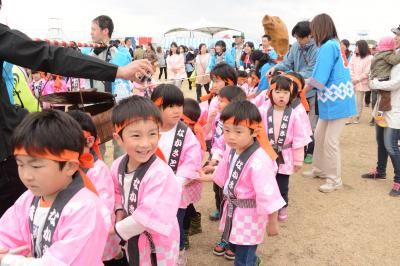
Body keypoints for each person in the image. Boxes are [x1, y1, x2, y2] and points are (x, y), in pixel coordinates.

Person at [0, 0, 153, 217]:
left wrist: (117, 71)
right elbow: (50, 56)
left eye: (93, 29)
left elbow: (52, 57)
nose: (91, 33)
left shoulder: (119, 52)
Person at [0, 110, 110, 265]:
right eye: (20, 164)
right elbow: (7, 233)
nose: (26, 175)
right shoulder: (28, 199)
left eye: (36, 166)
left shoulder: (85, 209)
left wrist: (8, 260)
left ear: (70, 166)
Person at [199, 100, 285, 266]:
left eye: (238, 131)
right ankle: (252, 260)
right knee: (235, 245)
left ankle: (248, 261)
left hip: (249, 214)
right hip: (233, 209)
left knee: (242, 256)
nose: (231, 136)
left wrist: (272, 222)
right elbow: (224, 174)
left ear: (254, 132)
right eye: (226, 130)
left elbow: (269, 194)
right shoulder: (232, 149)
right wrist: (205, 175)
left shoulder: (260, 160)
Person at [110, 96, 181, 265]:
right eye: (136, 135)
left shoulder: (161, 174)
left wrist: (113, 230)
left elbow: (149, 215)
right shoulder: (117, 165)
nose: (145, 143)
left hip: (157, 242)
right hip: (133, 235)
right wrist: (119, 209)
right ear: (119, 138)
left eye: (152, 134)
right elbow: (116, 191)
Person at [302, 13, 356, 193]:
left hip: (336, 101)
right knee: (319, 135)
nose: (312, 35)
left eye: (313, 31)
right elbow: (320, 76)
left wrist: (301, 92)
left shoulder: (328, 46)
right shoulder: (334, 44)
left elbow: (319, 78)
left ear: (319, 29)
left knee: (330, 141)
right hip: (334, 100)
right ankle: (319, 169)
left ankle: (334, 179)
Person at [150, 84, 202, 266]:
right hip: (152, 189)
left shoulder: (184, 132)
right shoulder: (148, 129)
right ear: (157, 107)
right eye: (170, 106)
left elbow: (193, 157)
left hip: (175, 190)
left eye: (179, 106)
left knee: (175, 223)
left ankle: (178, 252)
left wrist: (178, 181)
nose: (176, 111)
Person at [260, 75, 311, 222]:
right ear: (270, 93)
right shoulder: (263, 110)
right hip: (266, 154)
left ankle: (282, 208)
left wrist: (298, 161)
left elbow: (299, 139)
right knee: (265, 183)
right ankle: (267, 209)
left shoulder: (294, 115)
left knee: (282, 185)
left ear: (291, 95)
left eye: (285, 92)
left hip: (285, 155)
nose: (281, 96)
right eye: (277, 92)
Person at [267, 20, 318, 165]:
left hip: (311, 91)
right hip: (294, 92)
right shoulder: (295, 46)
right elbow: (287, 62)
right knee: (298, 122)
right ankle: (300, 149)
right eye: (296, 38)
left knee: (311, 124)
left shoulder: (317, 48)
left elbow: (311, 71)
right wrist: (276, 68)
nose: (298, 41)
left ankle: (310, 151)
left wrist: (291, 76)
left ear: (310, 35)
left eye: (301, 38)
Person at [206, 86, 246, 261]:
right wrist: (214, 159)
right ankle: (225, 238)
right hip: (224, 177)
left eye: (221, 100)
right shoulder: (224, 123)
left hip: (241, 183)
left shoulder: (247, 127)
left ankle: (236, 243)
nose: (218, 103)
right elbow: (218, 144)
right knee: (226, 208)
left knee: (239, 212)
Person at [361, 25, 400, 197]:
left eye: (398, 35)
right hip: (382, 108)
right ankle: (381, 170)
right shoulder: (393, 54)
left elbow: (395, 83)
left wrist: (375, 84)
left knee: (391, 145)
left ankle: (399, 180)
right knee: (380, 140)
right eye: (396, 35)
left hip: (396, 108)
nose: (396, 37)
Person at [181, 98, 207, 249]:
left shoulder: (194, 135)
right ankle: (196, 222)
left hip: (189, 178)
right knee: (185, 203)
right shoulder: (191, 130)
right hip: (184, 178)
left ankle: (184, 238)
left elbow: (197, 158)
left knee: (182, 208)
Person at [369, 36, 400, 127]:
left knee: (381, 99)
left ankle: (378, 116)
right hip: (382, 78)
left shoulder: (379, 53)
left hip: (376, 77)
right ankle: (379, 116)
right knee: (385, 99)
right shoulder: (387, 54)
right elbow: (394, 60)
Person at [348, 40, 373, 124]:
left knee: (358, 101)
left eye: (357, 46)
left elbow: (367, 72)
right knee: (350, 99)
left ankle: (357, 116)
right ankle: (350, 116)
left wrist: (357, 79)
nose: (355, 48)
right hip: (352, 81)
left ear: (362, 47)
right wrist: (353, 78)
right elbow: (349, 67)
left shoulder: (370, 58)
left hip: (361, 83)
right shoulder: (354, 56)